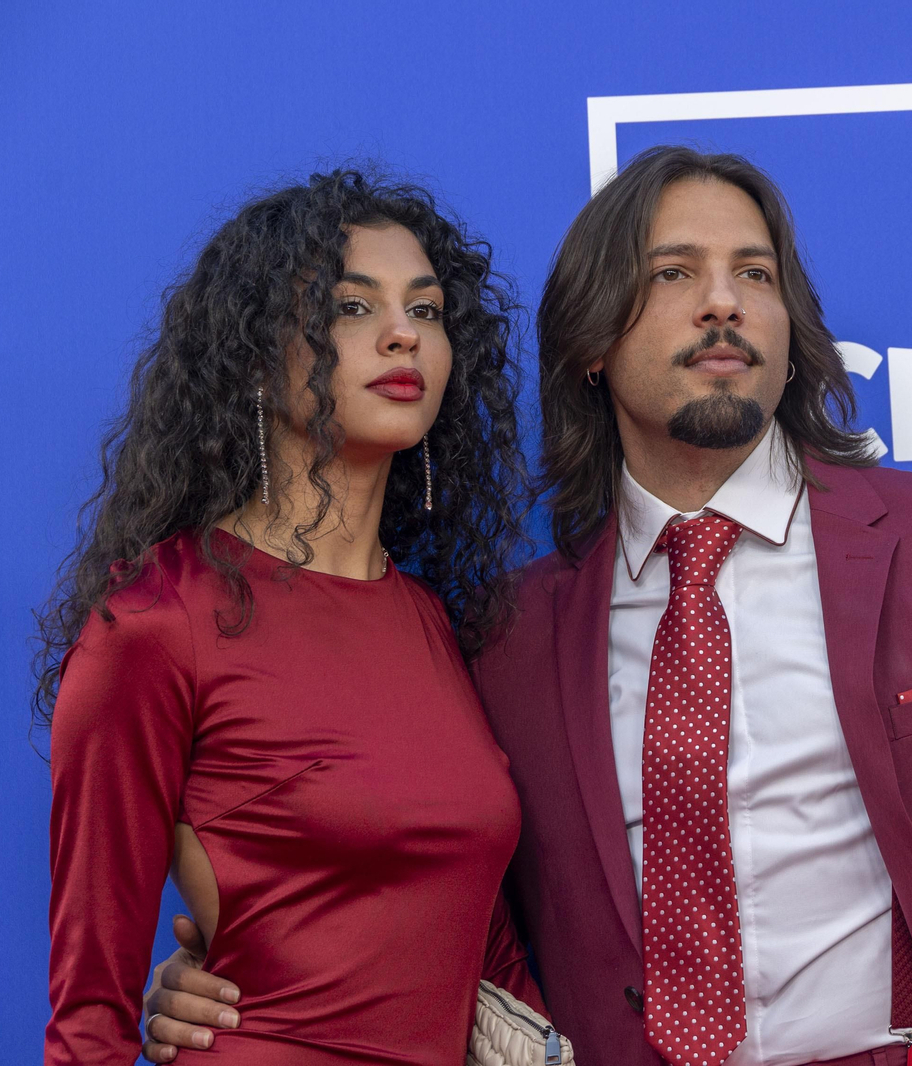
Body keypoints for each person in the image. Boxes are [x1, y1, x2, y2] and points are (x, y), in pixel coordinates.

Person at [144, 145, 912, 1066]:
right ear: (593, 345)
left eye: (755, 273)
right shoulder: (507, 637)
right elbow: (431, 909)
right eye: (674, 274)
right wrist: (235, 993)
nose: (723, 301)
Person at [39, 170, 543, 1064]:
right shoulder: (159, 620)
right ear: (255, 355)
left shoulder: (431, 620)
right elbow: (87, 1018)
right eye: (351, 309)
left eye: (426, 313)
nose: (403, 335)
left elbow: (483, 946)